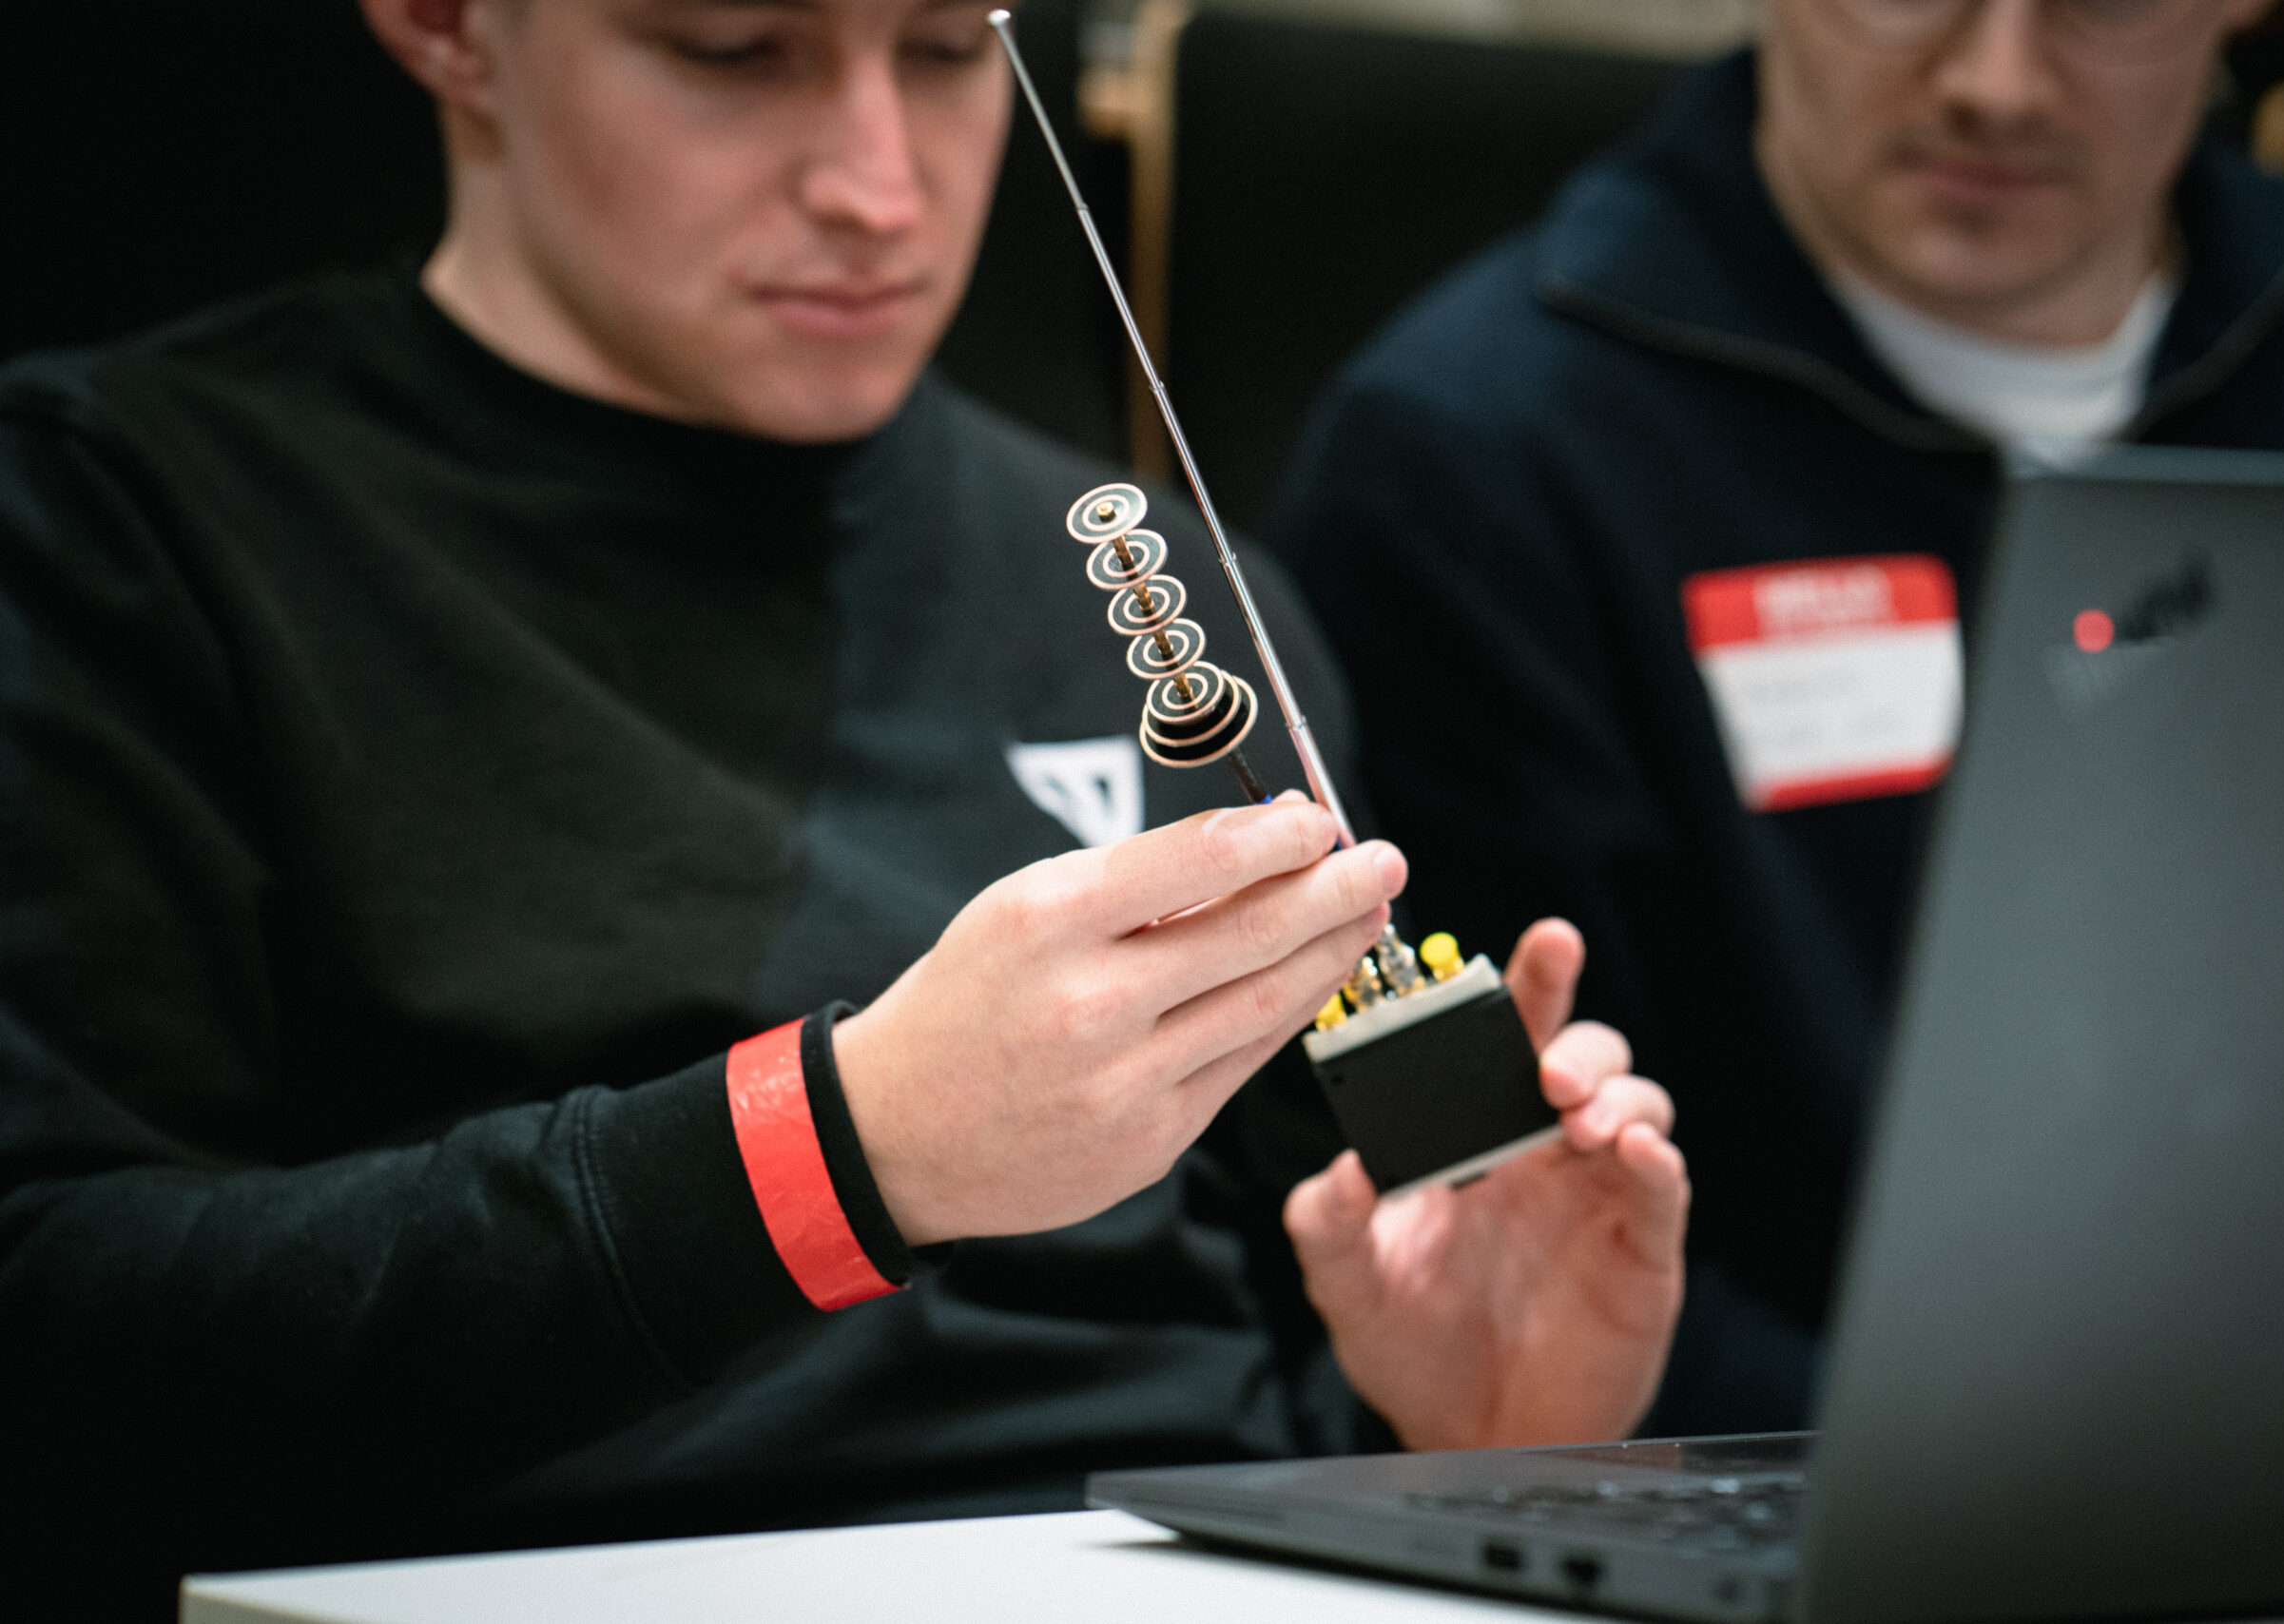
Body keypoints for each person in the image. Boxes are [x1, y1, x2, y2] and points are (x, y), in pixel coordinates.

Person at [0, 0, 1694, 1614]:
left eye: (950, 50)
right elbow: (66, 1337)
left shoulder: (1170, 596)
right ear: (447, 25)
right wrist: (845, 1149)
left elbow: (1303, 1313)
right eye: (737, 50)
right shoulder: (126, 515)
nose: (880, 188)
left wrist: (1465, 1440)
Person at [1271, 0, 2284, 1437]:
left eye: (2103, 3)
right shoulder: (1479, 453)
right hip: (1766, 1458)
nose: (1998, 83)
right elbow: (1471, 1234)